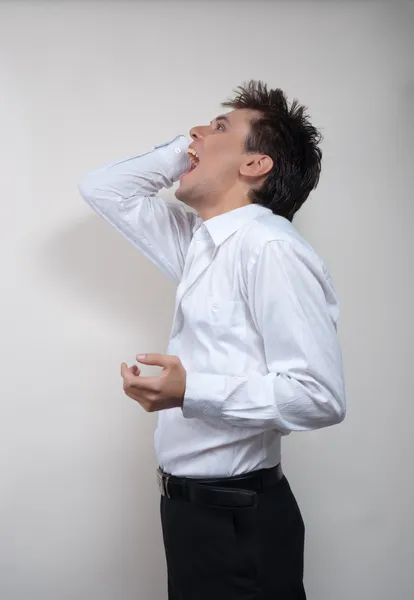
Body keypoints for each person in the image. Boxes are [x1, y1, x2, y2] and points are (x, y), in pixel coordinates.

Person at [78, 80, 346, 600]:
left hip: (238, 522)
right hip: (191, 514)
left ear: (255, 164)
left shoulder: (270, 248)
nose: (195, 132)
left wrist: (190, 390)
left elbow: (320, 397)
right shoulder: (200, 243)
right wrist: (194, 148)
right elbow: (103, 187)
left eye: (220, 127)